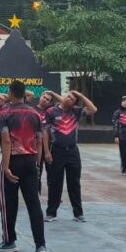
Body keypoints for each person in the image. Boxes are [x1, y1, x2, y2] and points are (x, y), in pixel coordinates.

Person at [0, 79, 50, 252]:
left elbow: (6, 140)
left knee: (9, 204)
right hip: (31, 161)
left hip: (14, 160)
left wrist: (5, 166)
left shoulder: (5, 113)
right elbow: (39, 140)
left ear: (10, 93)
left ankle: (9, 241)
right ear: (24, 93)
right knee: (34, 204)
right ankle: (40, 246)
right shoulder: (35, 114)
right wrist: (37, 164)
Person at [45, 89, 96, 221]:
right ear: (63, 97)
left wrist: (81, 95)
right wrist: (47, 151)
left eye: (72, 99)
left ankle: (78, 213)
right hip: (57, 150)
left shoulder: (76, 111)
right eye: (68, 96)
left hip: (72, 151)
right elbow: (45, 132)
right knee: (55, 182)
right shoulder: (51, 111)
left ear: (74, 103)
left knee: (74, 183)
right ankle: (51, 213)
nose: (69, 99)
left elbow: (93, 109)